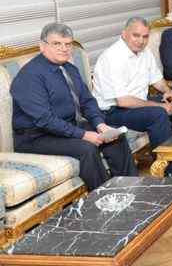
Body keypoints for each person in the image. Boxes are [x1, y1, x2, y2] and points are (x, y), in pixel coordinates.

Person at [11, 23, 137, 191]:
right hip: (35, 137)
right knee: (87, 148)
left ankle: (129, 190)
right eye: (57, 43)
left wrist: (100, 124)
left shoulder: (69, 69)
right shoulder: (30, 76)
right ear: (42, 46)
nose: (64, 49)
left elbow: (87, 101)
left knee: (115, 137)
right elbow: (45, 120)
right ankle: (105, 198)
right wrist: (83, 135)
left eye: (68, 44)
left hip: (65, 127)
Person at [93, 17, 172, 178]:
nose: (141, 41)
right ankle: (165, 171)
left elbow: (157, 80)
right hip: (113, 112)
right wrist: (161, 106)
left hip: (137, 104)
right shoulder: (112, 58)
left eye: (145, 36)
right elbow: (123, 101)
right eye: (136, 35)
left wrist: (167, 91)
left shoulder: (145, 52)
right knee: (158, 114)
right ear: (124, 34)